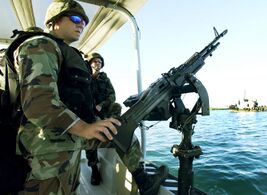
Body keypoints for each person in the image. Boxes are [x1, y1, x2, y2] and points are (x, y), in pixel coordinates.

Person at [14, 0, 168, 194]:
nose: (81, 24)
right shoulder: (40, 45)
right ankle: (97, 168)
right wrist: (84, 127)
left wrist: (92, 122)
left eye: (85, 22)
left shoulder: (62, 51)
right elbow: (39, 103)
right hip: (48, 145)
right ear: (53, 22)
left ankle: (143, 181)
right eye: (76, 18)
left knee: (122, 131)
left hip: (66, 136)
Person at [84, 52, 122, 185]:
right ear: (90, 63)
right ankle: (94, 168)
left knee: (117, 106)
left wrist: (102, 105)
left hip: (103, 110)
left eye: (100, 62)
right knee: (90, 135)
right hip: (89, 112)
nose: (97, 64)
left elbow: (112, 96)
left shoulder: (105, 79)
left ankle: (112, 134)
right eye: (95, 61)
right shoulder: (84, 78)